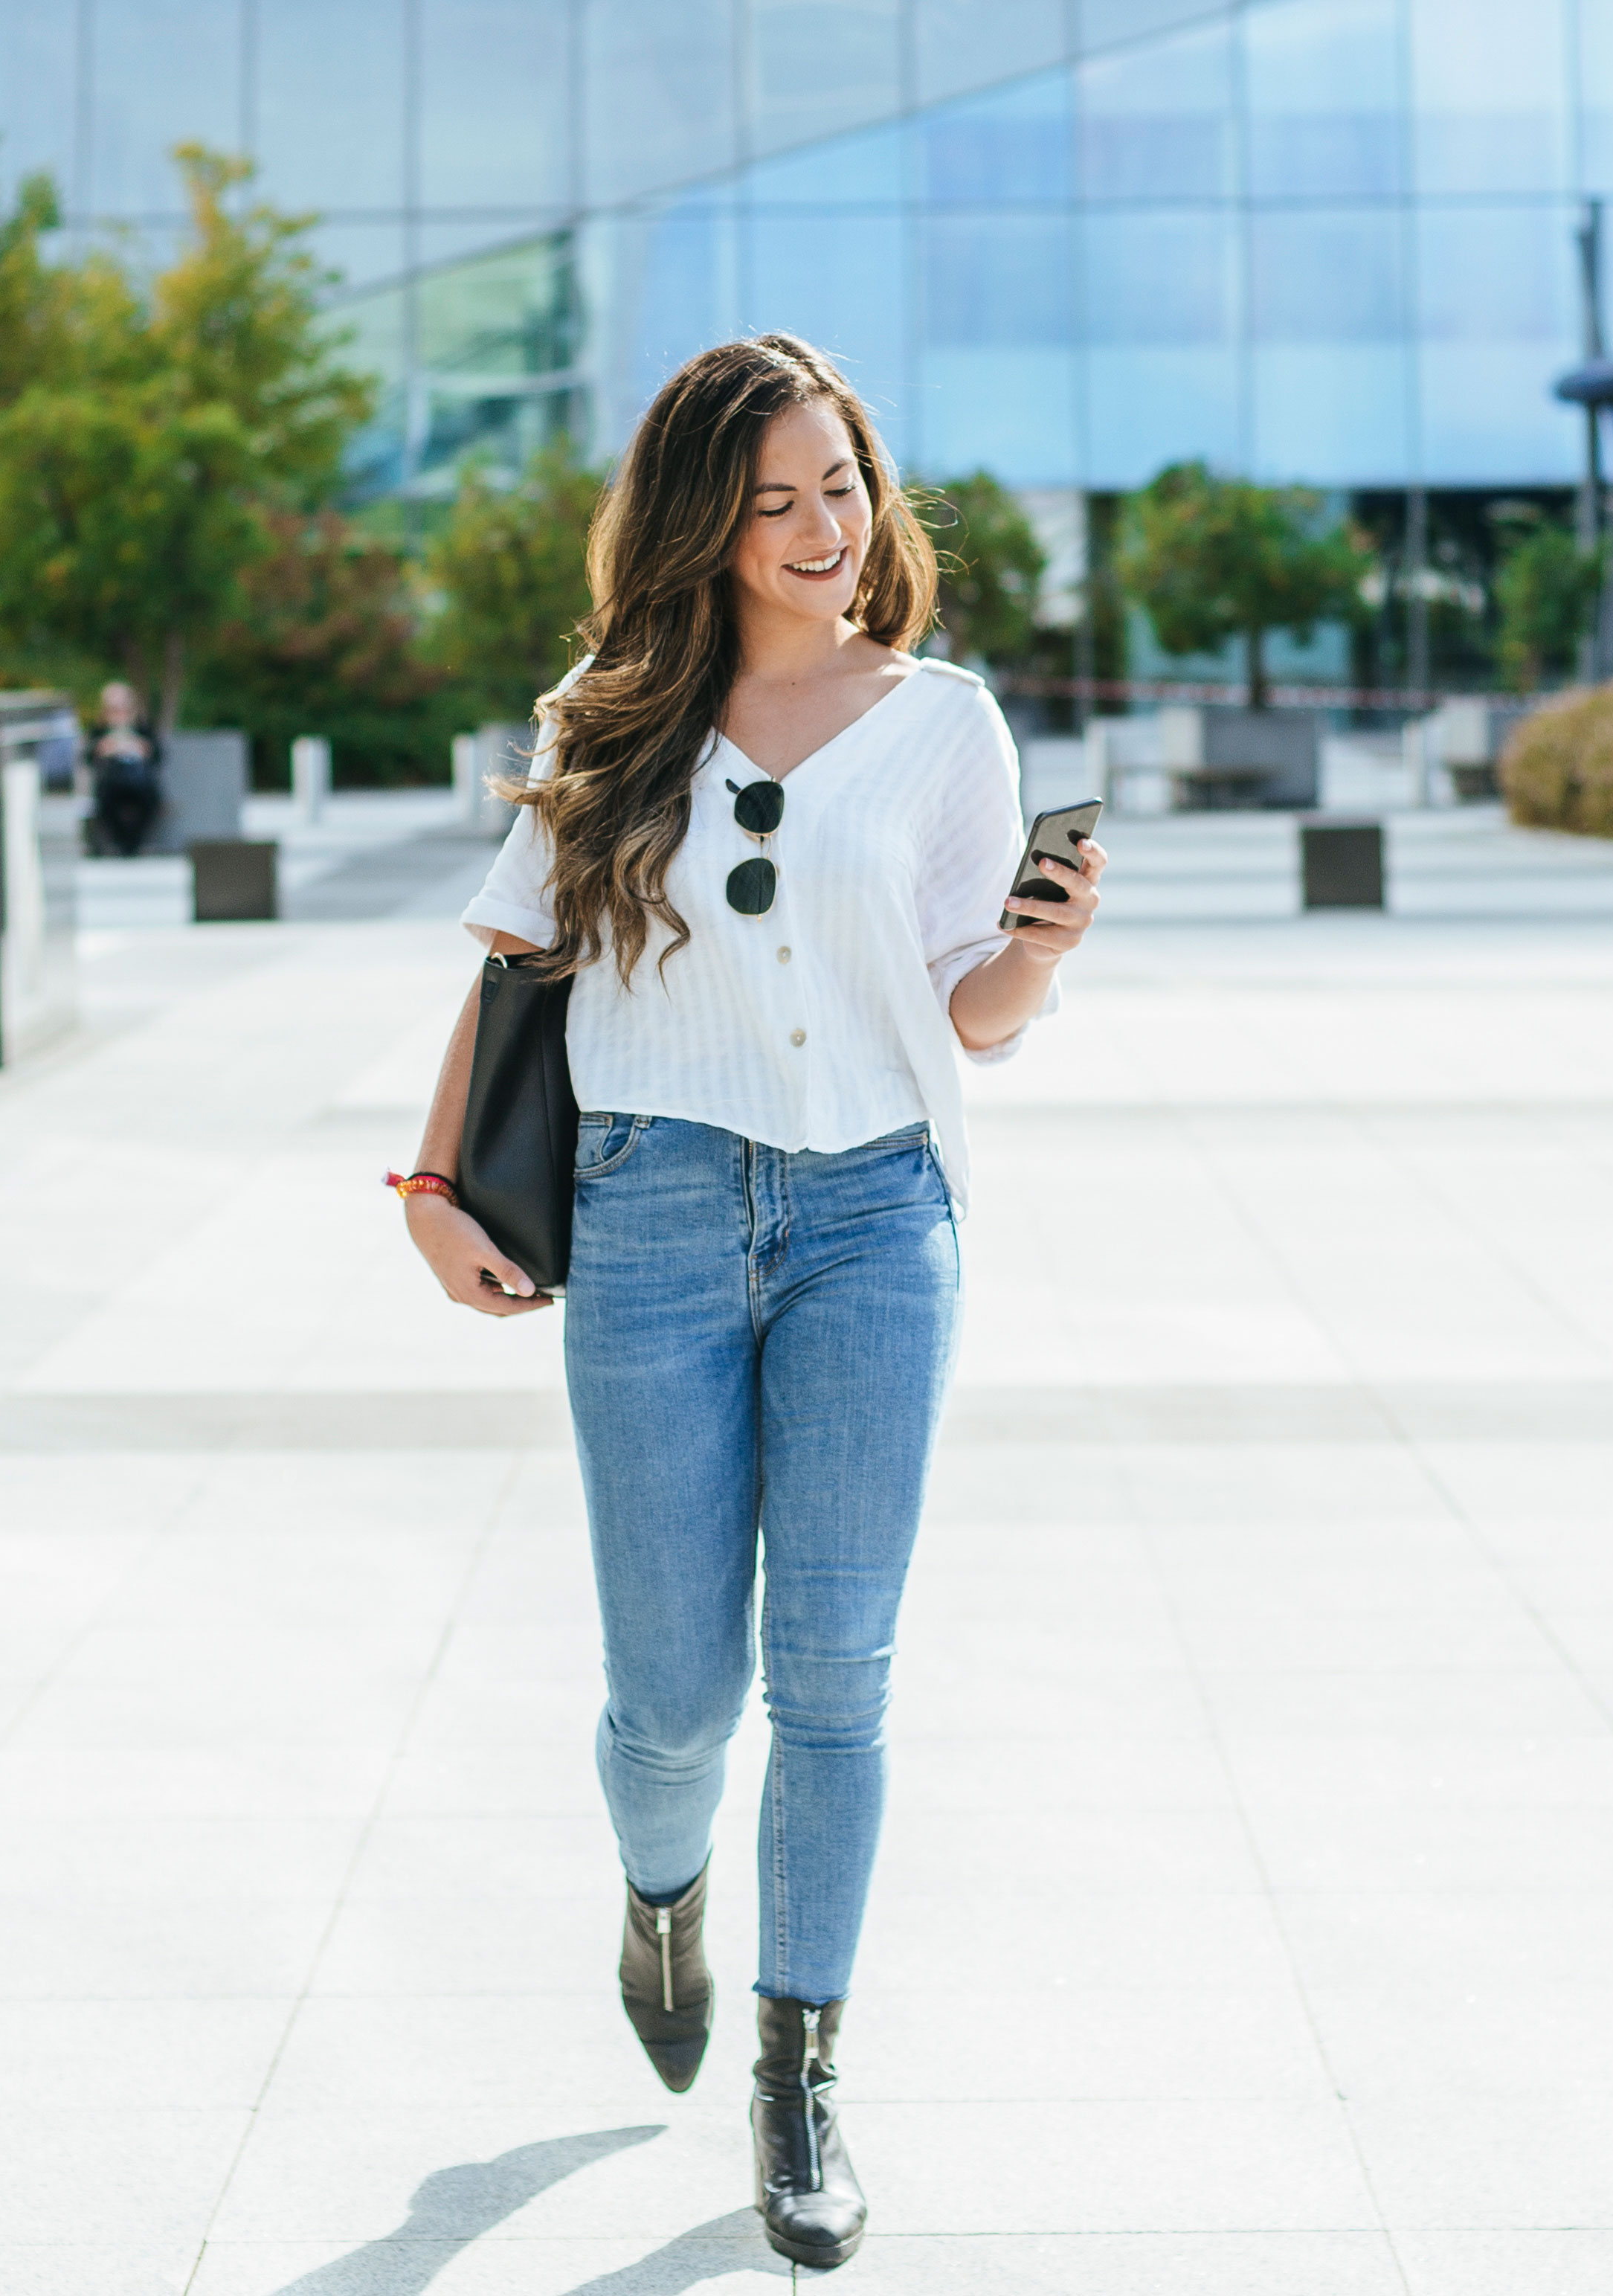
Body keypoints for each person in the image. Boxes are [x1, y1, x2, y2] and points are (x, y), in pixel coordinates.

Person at [386, 335, 1104, 2271]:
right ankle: (660, 1884)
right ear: (705, 517)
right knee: (676, 1692)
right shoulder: (614, 712)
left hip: (880, 1214)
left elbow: (965, 1008)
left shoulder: (945, 725)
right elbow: (515, 966)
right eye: (775, 495)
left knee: (841, 1671)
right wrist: (430, 1186)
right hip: (650, 1214)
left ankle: (799, 2086)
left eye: (843, 486)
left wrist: (1038, 957)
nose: (818, 528)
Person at [88, 681, 161, 857]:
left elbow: (158, 755)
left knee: (151, 800)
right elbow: (88, 758)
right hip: (110, 781)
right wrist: (104, 749)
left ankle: (134, 844)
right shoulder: (100, 730)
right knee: (106, 801)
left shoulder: (142, 728)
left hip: (140, 781)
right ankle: (121, 843)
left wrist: (142, 748)